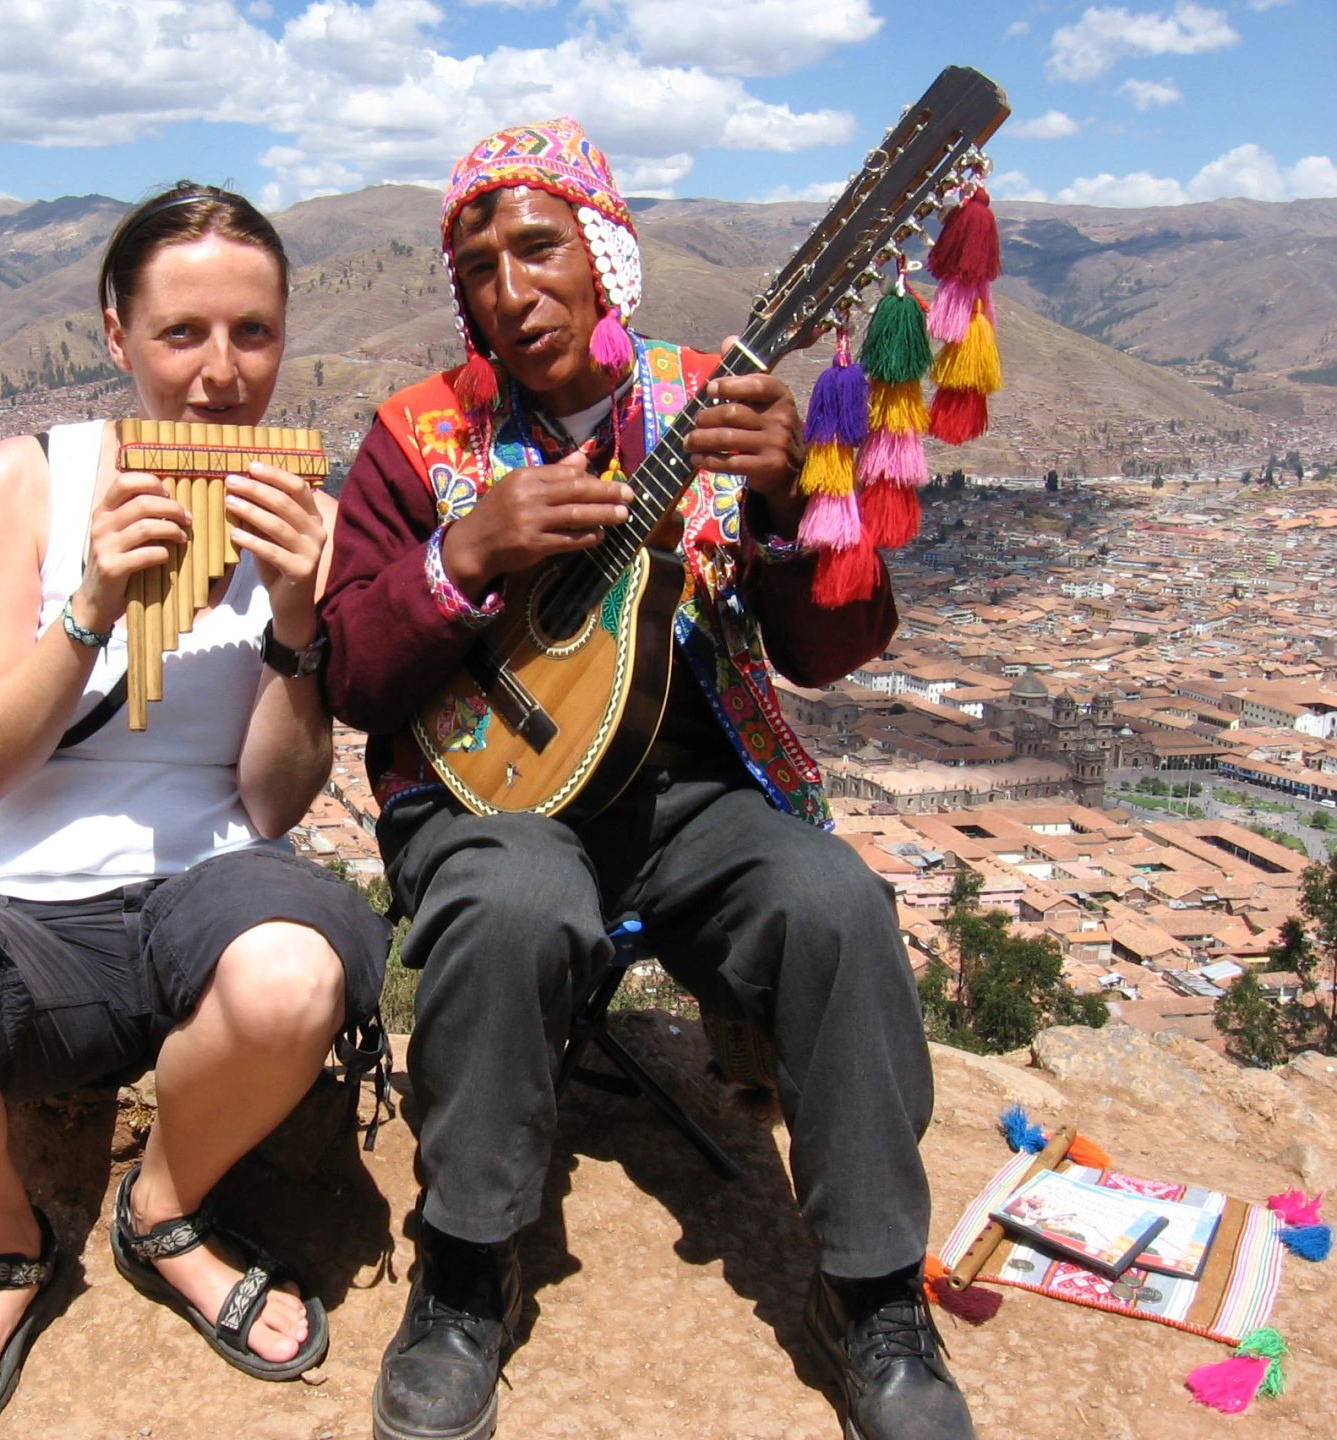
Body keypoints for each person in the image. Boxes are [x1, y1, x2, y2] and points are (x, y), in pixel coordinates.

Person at [319, 120, 975, 1440]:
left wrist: (794, 496)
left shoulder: (715, 408)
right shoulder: (415, 437)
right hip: (486, 795)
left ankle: (877, 1295)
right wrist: (463, 556)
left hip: (692, 793)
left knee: (832, 902)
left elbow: (834, 647)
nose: (512, 289)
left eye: (539, 247)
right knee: (509, 908)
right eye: (481, 262)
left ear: (604, 256)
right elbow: (346, 668)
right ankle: (462, 1273)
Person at [0, 183, 389, 1440]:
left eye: (254, 335)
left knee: (295, 973)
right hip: (25, 913)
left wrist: (296, 624)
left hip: (211, 894)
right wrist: (94, 606)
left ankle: (161, 1211)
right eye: (182, 335)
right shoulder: (27, 482)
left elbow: (273, 803)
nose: (221, 377)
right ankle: (5, 1248)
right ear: (116, 334)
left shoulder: (301, 520)